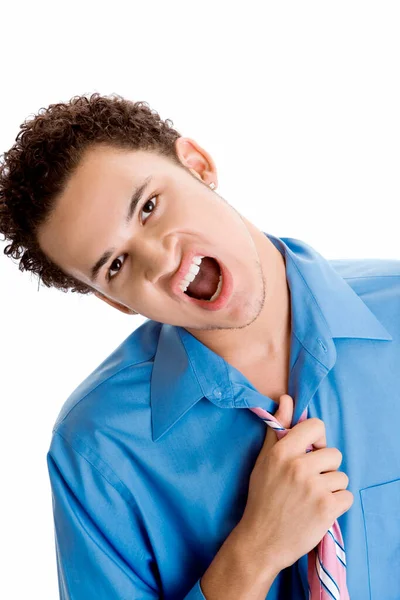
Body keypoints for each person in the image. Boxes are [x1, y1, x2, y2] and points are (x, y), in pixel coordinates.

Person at [0, 93, 398, 600]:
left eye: (148, 207)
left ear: (198, 166)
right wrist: (253, 555)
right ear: (113, 302)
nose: (159, 259)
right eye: (116, 266)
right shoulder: (98, 449)